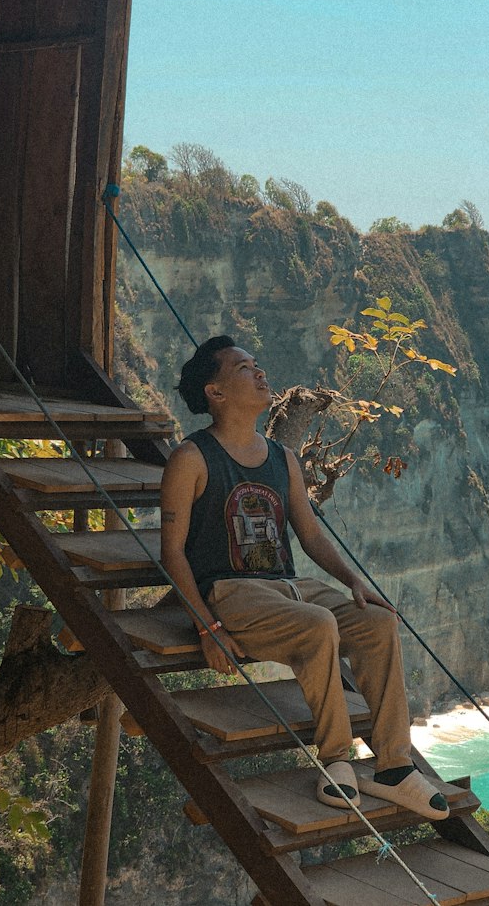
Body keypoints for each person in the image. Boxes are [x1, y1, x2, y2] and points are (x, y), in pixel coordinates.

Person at [160, 335, 449, 818]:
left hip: (292, 588)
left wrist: (353, 582)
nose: (260, 373)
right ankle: (336, 760)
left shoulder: (282, 458)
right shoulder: (192, 459)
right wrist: (207, 626)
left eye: (258, 364)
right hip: (233, 593)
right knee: (318, 624)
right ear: (216, 392)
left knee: (378, 624)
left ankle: (394, 768)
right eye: (243, 368)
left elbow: (311, 536)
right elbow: (172, 552)